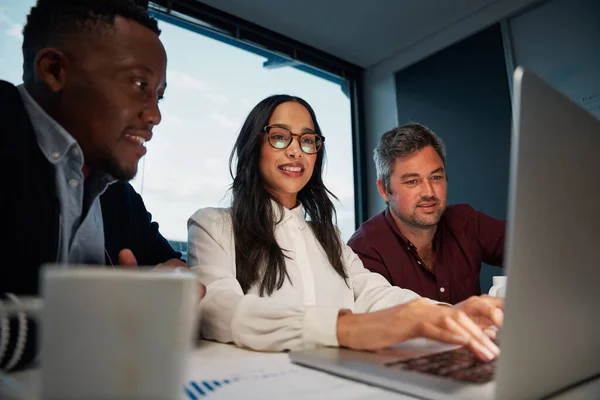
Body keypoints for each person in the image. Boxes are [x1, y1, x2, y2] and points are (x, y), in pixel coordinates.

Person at [188, 95, 503, 362]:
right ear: (253, 145)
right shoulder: (214, 224)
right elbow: (217, 310)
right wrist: (345, 328)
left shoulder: (329, 239)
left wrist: (446, 314)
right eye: (280, 136)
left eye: (308, 140)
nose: (296, 151)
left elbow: (374, 293)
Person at [0, 0, 190, 372]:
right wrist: (107, 318)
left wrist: (174, 286)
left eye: (159, 95)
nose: (155, 116)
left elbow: (171, 268)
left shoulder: (113, 188)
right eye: (139, 85)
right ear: (54, 70)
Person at [348, 123, 506, 304]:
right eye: (412, 181)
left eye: (436, 177)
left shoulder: (464, 222)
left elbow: (531, 248)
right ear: (384, 190)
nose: (429, 192)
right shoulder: (365, 250)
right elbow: (382, 323)